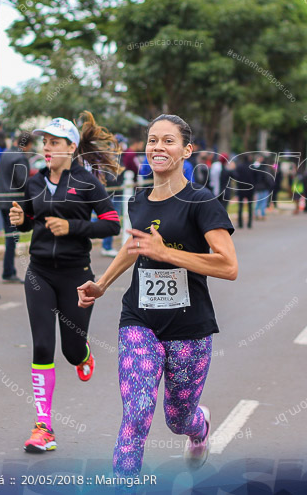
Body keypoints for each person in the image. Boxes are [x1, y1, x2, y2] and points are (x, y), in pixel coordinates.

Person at [76, 114, 237, 478]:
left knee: (178, 418)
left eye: (168, 141)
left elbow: (228, 266)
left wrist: (168, 254)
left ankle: (198, 429)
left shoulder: (201, 202)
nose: (158, 148)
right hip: (140, 320)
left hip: (189, 328)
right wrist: (102, 284)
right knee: (136, 412)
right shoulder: (139, 199)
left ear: (186, 150)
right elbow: (134, 247)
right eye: (152, 140)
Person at [8, 113, 121, 453]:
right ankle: (44, 427)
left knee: (71, 352)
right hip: (40, 273)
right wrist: (21, 220)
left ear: (71, 147)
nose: (47, 148)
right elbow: (29, 220)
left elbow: (112, 224)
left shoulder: (87, 182)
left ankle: (83, 352)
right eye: (45, 142)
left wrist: (73, 228)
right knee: (43, 346)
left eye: (54, 142)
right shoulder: (33, 180)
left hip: (76, 276)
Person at [0, 131, 33, 281]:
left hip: (3, 200)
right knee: (12, 239)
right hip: (15, 203)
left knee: (9, 237)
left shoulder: (6, 154)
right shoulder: (20, 158)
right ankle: (8, 271)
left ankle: (8, 269)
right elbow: (22, 182)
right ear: (28, 145)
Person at [233, 154, 255, 228]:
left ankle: (240, 223)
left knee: (240, 206)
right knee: (250, 207)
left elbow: (236, 177)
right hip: (250, 189)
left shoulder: (239, 167)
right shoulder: (252, 167)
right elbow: (255, 179)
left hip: (241, 188)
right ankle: (249, 223)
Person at [252, 155, 273, 221]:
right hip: (264, 187)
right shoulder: (266, 169)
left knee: (258, 202)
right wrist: (270, 185)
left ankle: (255, 214)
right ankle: (262, 215)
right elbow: (268, 179)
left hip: (258, 187)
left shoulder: (257, 169)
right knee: (263, 202)